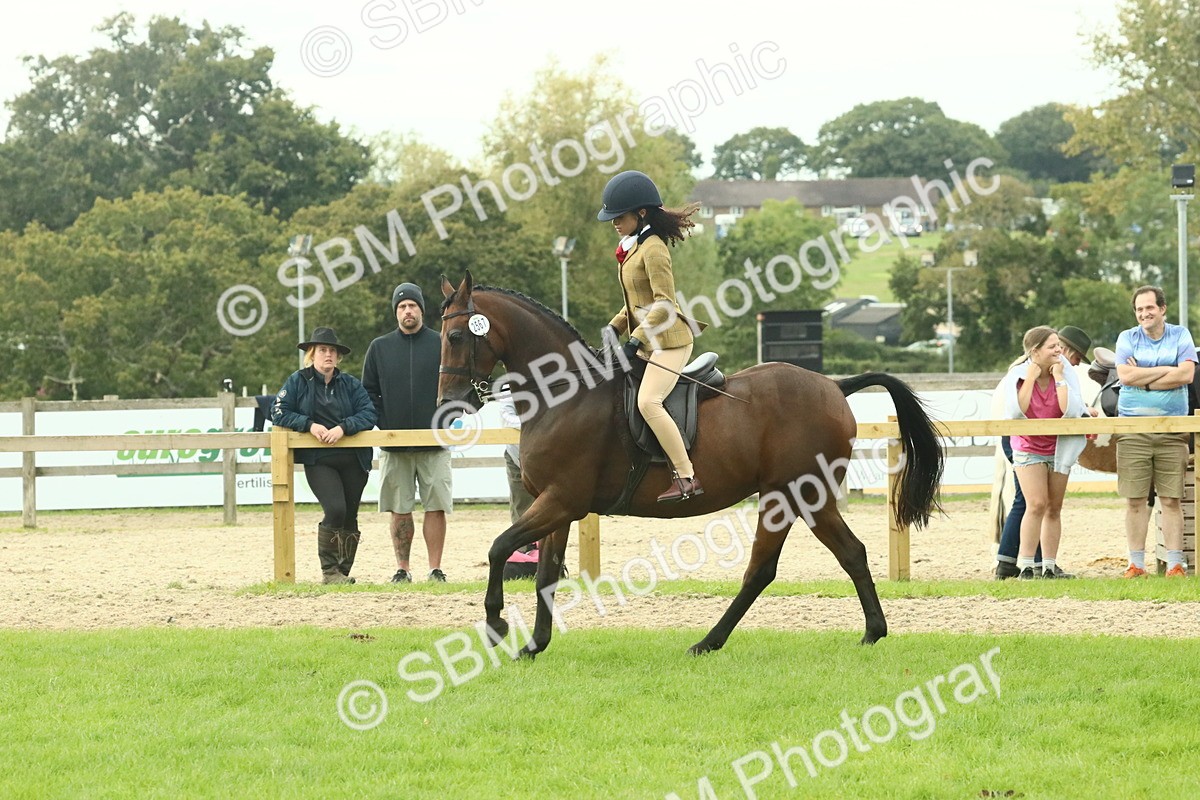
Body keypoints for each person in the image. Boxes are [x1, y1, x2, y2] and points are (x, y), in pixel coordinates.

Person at [597, 169, 706, 503]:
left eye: (620, 217)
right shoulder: (634, 247)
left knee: (648, 401)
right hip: (648, 339)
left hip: (670, 341)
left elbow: (664, 304)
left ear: (640, 213)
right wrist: (613, 327)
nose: (615, 223)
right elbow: (635, 301)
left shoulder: (654, 248)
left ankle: (687, 476)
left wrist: (634, 339)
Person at [362, 282, 452, 583]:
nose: (407, 311)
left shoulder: (442, 343)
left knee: (436, 506)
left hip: (435, 443)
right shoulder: (379, 348)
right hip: (394, 445)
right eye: (402, 307)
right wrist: (384, 425)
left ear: (422, 311)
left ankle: (435, 569)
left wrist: (446, 421)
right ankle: (403, 568)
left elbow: (454, 388)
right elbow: (368, 394)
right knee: (399, 510)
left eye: (412, 305)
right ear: (395, 312)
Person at [271, 327, 377, 584]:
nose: (328, 355)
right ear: (312, 354)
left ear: (338, 357)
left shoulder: (350, 384)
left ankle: (343, 572)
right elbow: (278, 411)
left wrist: (343, 427)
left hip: (354, 460)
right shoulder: (298, 381)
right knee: (335, 509)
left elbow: (370, 414)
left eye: (332, 351)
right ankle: (330, 572)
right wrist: (309, 425)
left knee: (351, 513)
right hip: (319, 460)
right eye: (322, 350)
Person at [994, 324, 1095, 579]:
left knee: (1054, 506)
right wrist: (1030, 376)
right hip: (1028, 446)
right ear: (1035, 351)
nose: (1058, 351)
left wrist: (1059, 377)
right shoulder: (1017, 374)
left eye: (1059, 346)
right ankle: (1026, 564)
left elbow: (1069, 410)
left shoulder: (1066, 373)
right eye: (1052, 346)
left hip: (1059, 446)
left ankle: (1048, 564)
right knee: (1035, 503)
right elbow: (1017, 411)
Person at [1115, 285, 1197, 579]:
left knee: (1172, 499)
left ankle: (1176, 564)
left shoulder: (1181, 335)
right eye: (1139, 309)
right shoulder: (1127, 338)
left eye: (1149, 308)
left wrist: (1144, 379)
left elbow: (1186, 374)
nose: (1144, 314)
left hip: (1172, 428)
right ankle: (1136, 564)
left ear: (1162, 309)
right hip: (1132, 429)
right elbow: (1125, 376)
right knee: (1135, 499)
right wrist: (1167, 369)